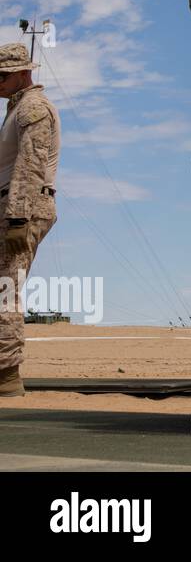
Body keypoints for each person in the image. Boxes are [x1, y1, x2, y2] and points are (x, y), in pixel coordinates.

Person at [0, 43, 60, 397]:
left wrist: (18, 219)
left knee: (5, 289)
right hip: (14, 206)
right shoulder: (18, 109)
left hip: (21, 208)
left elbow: (31, 164)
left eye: (4, 76)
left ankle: (6, 375)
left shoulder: (33, 108)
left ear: (24, 73)